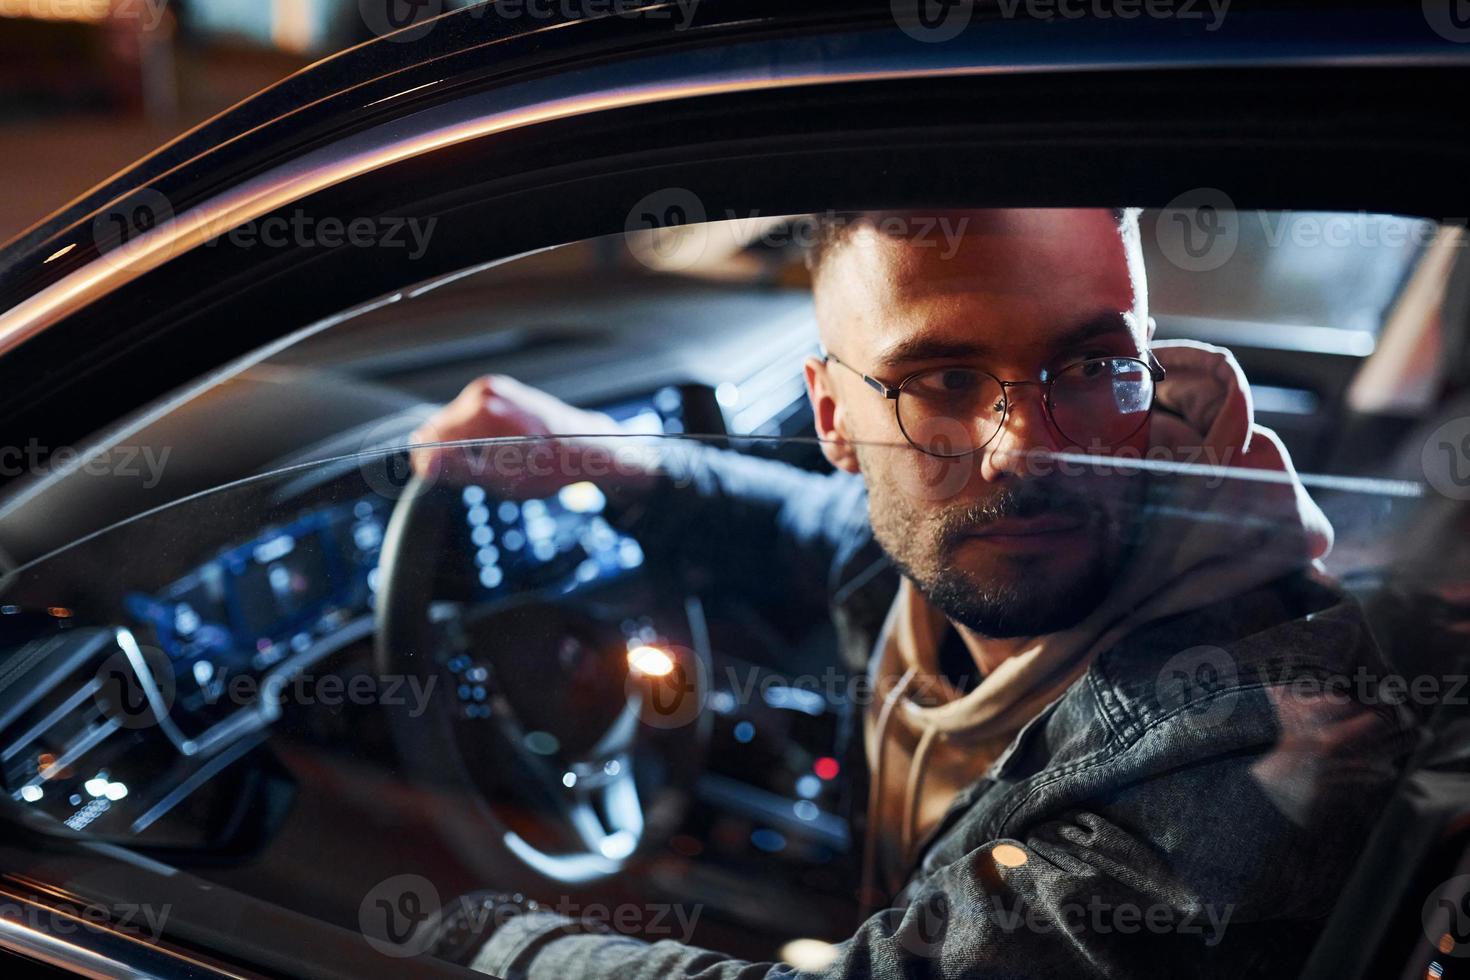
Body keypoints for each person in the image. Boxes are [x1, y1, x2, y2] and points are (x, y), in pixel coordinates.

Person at [408, 209, 1415, 978]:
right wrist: (611, 459)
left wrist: (476, 935)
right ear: (832, 418)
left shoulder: (1242, 746)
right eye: (943, 380)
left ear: (1144, 366)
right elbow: (815, 532)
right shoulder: (961, 557)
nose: (1030, 449)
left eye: (1092, 365)